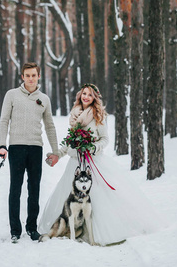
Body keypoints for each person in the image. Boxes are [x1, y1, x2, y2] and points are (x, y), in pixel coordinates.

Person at [39, 83, 162, 246]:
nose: (86, 97)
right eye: (84, 93)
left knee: (97, 198)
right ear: (80, 95)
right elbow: (70, 142)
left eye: (90, 95)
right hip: (75, 163)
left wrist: (92, 147)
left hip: (92, 162)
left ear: (94, 98)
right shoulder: (74, 114)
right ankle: (71, 229)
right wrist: (58, 155)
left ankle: (96, 233)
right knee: (71, 198)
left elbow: (104, 139)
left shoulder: (99, 115)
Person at [0, 62, 59, 242]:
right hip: (16, 147)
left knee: (34, 189)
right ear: (22, 77)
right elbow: (4, 121)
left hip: (35, 148)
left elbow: (49, 126)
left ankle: (32, 228)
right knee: (15, 189)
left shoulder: (44, 99)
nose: (31, 78)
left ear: (38, 76)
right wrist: (2, 145)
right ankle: (15, 230)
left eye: (34, 75)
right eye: (27, 75)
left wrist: (55, 151)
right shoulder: (12, 95)